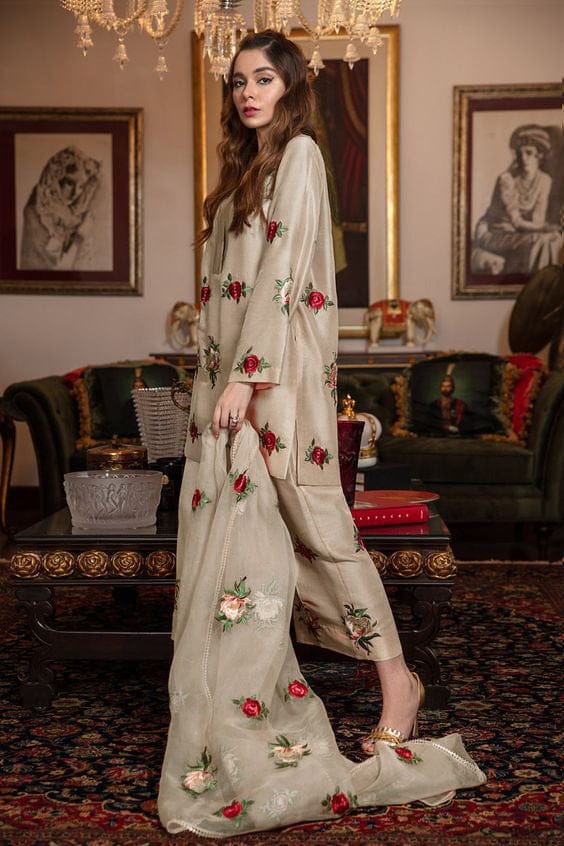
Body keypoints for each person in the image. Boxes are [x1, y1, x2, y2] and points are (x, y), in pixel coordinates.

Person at [158, 31, 484, 837]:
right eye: (239, 80)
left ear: (292, 86)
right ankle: (231, 708)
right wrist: (217, 385)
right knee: (241, 545)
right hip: (227, 390)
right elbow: (225, 292)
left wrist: (246, 379)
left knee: (323, 534)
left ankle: (398, 681)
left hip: (276, 387)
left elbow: (281, 277)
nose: (247, 92)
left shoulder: (300, 156)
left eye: (264, 78)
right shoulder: (243, 171)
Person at [471, 124, 562, 275]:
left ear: (539, 155)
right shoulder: (506, 180)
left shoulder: (545, 180)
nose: (523, 158)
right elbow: (517, 222)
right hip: (494, 233)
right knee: (540, 240)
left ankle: (547, 285)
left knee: (555, 239)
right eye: (520, 153)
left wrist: (549, 229)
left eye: (529, 153)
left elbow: (537, 220)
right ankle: (534, 283)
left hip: (519, 233)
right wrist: (548, 227)